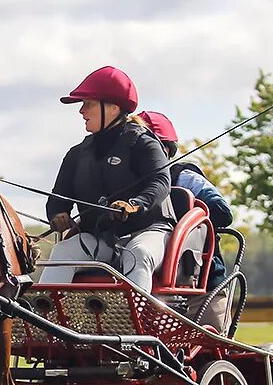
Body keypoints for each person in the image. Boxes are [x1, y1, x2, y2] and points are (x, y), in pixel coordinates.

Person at [41, 66, 174, 291]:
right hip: (102, 238)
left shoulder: (144, 144)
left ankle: (136, 326)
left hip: (150, 232)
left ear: (113, 107)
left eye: (88, 104)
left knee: (137, 253)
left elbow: (160, 183)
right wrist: (57, 214)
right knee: (63, 252)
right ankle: (44, 321)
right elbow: (58, 199)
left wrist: (134, 205)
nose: (81, 111)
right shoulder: (76, 154)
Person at [137, 110, 235, 331]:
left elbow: (222, 212)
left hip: (200, 287)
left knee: (213, 350)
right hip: (148, 287)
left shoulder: (183, 177)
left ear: (164, 150)